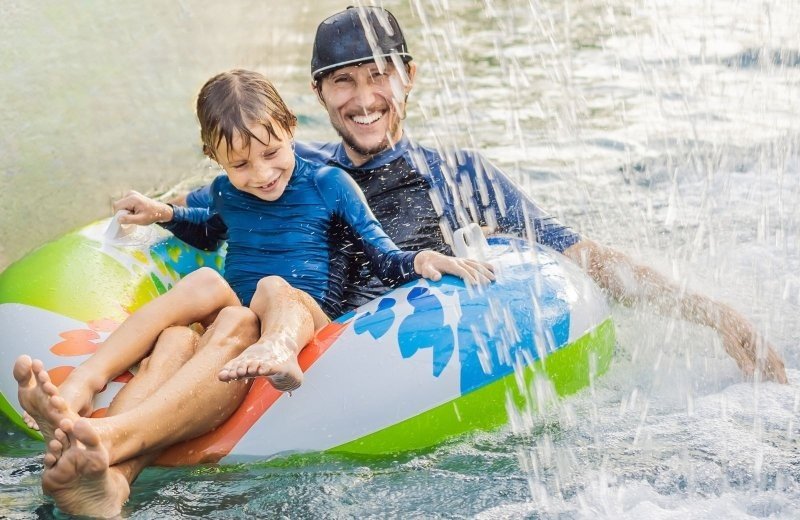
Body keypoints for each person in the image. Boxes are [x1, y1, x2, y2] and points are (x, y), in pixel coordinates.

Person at [16, 4, 787, 518]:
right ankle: (103, 465)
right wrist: (151, 216)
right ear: (318, 94)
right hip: (261, 347)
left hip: (356, 372)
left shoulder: (462, 179)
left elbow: (584, 255)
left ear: (407, 78)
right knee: (189, 333)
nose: (364, 96)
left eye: (379, 74)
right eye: (343, 81)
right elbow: (211, 211)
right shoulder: (290, 163)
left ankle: (108, 450)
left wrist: (715, 314)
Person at [15, 68, 493, 517]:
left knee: (269, 288)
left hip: (304, 318)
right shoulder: (226, 191)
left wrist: (422, 260)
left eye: (271, 153)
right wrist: (163, 213)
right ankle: (102, 447)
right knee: (183, 330)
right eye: (240, 164)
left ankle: (116, 426)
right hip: (243, 323)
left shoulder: (329, 183)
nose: (261, 174)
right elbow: (208, 231)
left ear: (289, 128)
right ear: (215, 159)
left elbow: (380, 253)